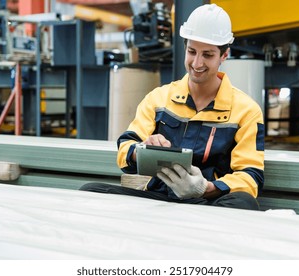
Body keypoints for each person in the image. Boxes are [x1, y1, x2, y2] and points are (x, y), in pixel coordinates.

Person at [80, 3, 265, 210]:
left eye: (208, 55)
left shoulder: (246, 111)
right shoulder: (159, 98)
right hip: (158, 198)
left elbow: (251, 177)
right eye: (192, 51)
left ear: (224, 55)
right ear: (184, 47)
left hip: (209, 204)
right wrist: (143, 149)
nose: (196, 63)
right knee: (91, 191)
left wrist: (205, 187)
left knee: (244, 202)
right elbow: (124, 149)